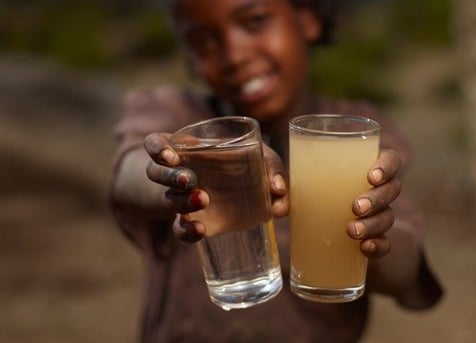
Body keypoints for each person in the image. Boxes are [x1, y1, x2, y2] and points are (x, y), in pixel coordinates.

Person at [109, 0, 443, 341]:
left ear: (309, 18)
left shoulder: (359, 132)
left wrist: (373, 239)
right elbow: (129, 172)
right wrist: (179, 175)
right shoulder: (174, 112)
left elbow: (406, 260)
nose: (234, 55)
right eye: (203, 42)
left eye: (254, 22)